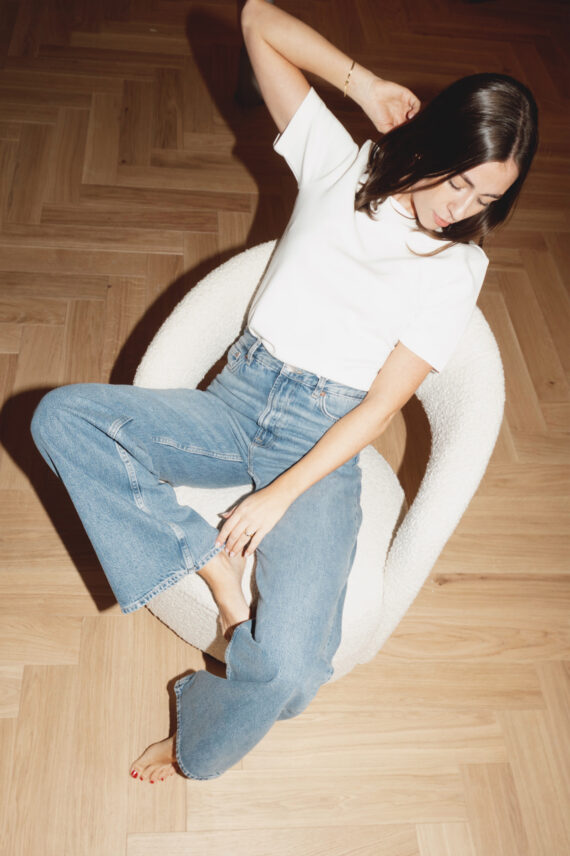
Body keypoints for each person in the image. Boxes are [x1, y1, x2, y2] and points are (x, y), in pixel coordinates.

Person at [30, 0, 538, 784]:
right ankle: (208, 564)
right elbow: (257, 20)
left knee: (294, 676)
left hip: (325, 438)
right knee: (61, 416)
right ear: (436, 141)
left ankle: (193, 739)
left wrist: (279, 495)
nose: (460, 209)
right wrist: (365, 86)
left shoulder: (459, 268)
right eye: (461, 181)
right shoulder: (341, 164)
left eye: (485, 200)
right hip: (236, 398)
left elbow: (381, 407)